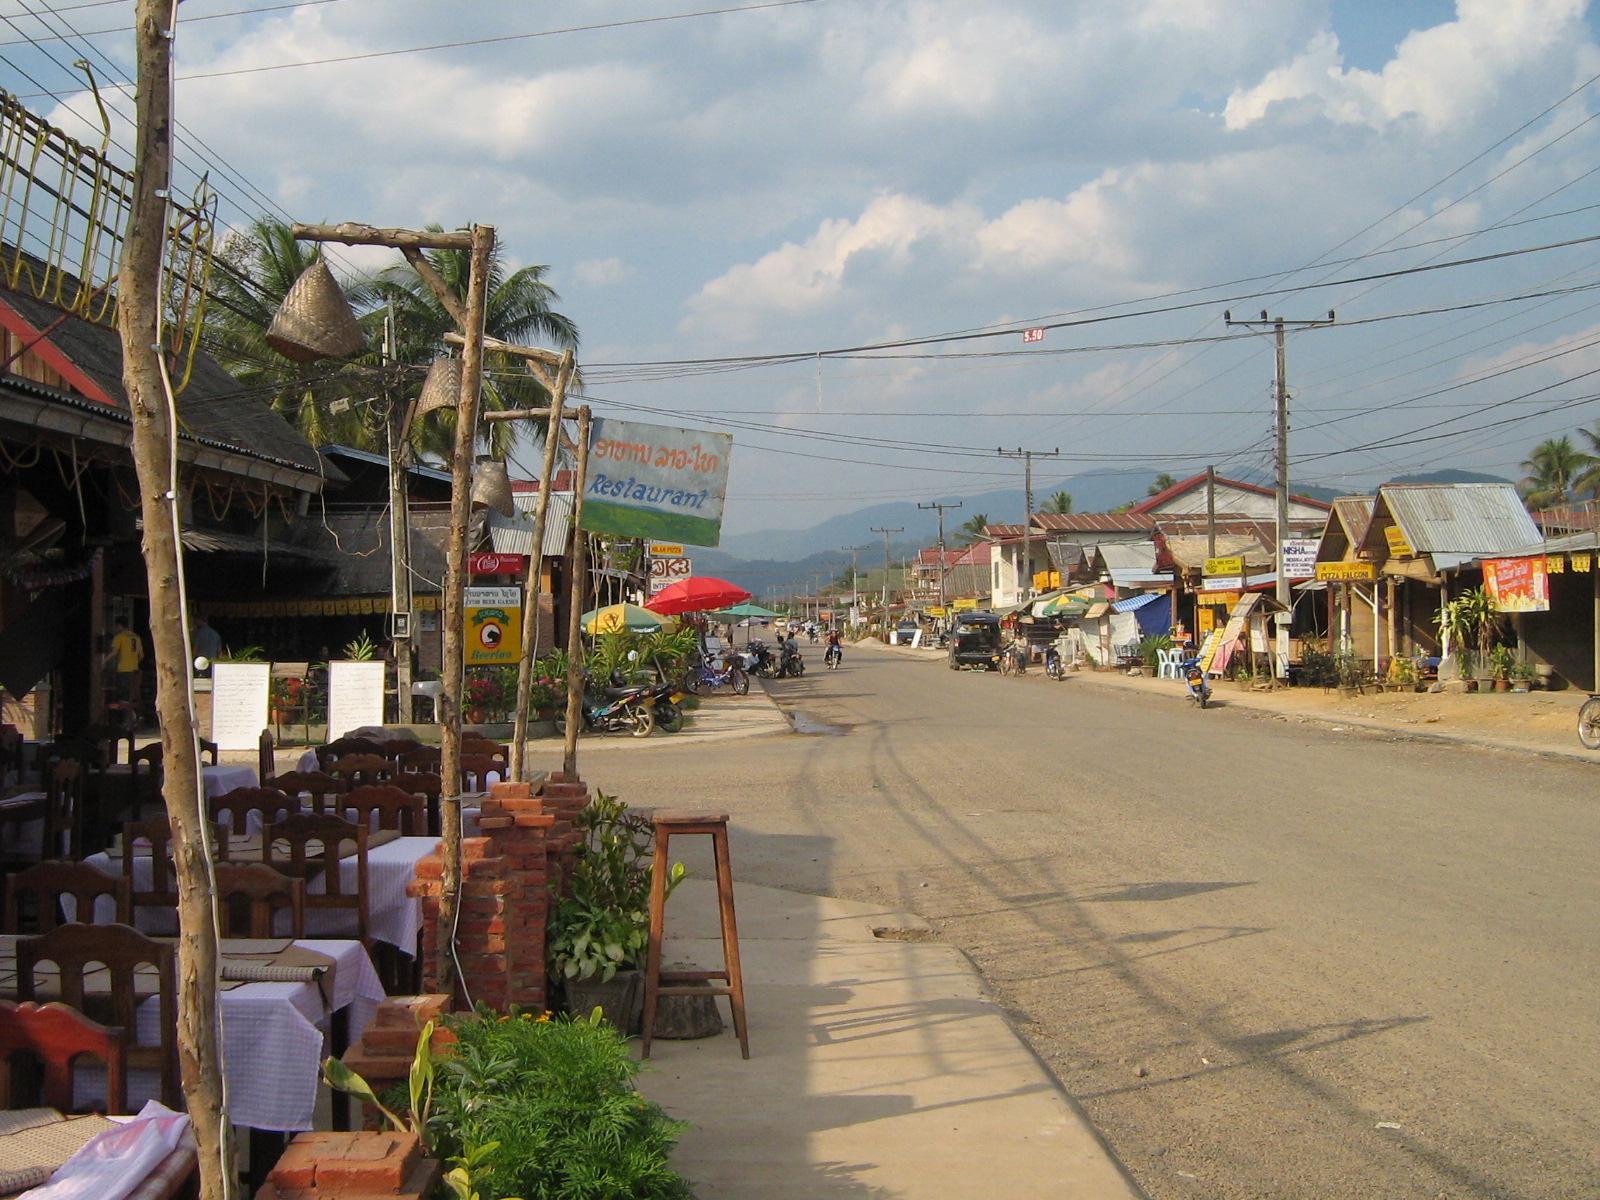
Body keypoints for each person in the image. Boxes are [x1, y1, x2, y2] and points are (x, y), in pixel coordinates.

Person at [105, 618, 143, 713]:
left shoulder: (120, 637)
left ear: (119, 626)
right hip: (135, 669)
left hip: (124, 669)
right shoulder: (136, 637)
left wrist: (103, 661)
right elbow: (141, 655)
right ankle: (135, 716)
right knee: (132, 695)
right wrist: (134, 662)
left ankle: (127, 718)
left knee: (123, 697)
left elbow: (114, 653)